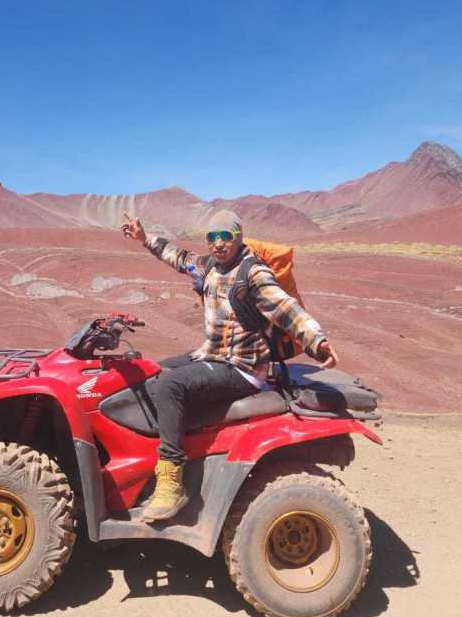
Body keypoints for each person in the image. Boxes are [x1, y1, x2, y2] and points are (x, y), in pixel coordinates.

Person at [121, 209, 338, 523]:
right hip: (213, 354)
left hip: (244, 368)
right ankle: (185, 444)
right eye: (212, 237)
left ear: (238, 237)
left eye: (225, 236)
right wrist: (144, 239)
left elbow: (285, 307)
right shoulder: (209, 266)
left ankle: (171, 482)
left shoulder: (253, 272)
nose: (218, 243)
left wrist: (316, 341)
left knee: (171, 386)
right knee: (154, 371)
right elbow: (178, 257)